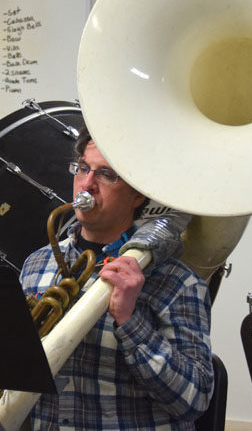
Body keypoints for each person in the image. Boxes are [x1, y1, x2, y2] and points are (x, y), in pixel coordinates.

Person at [19, 126, 214, 430]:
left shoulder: (177, 282)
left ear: (137, 194)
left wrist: (130, 321)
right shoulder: (36, 265)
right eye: (83, 168)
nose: (87, 184)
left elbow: (194, 400)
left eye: (106, 175)